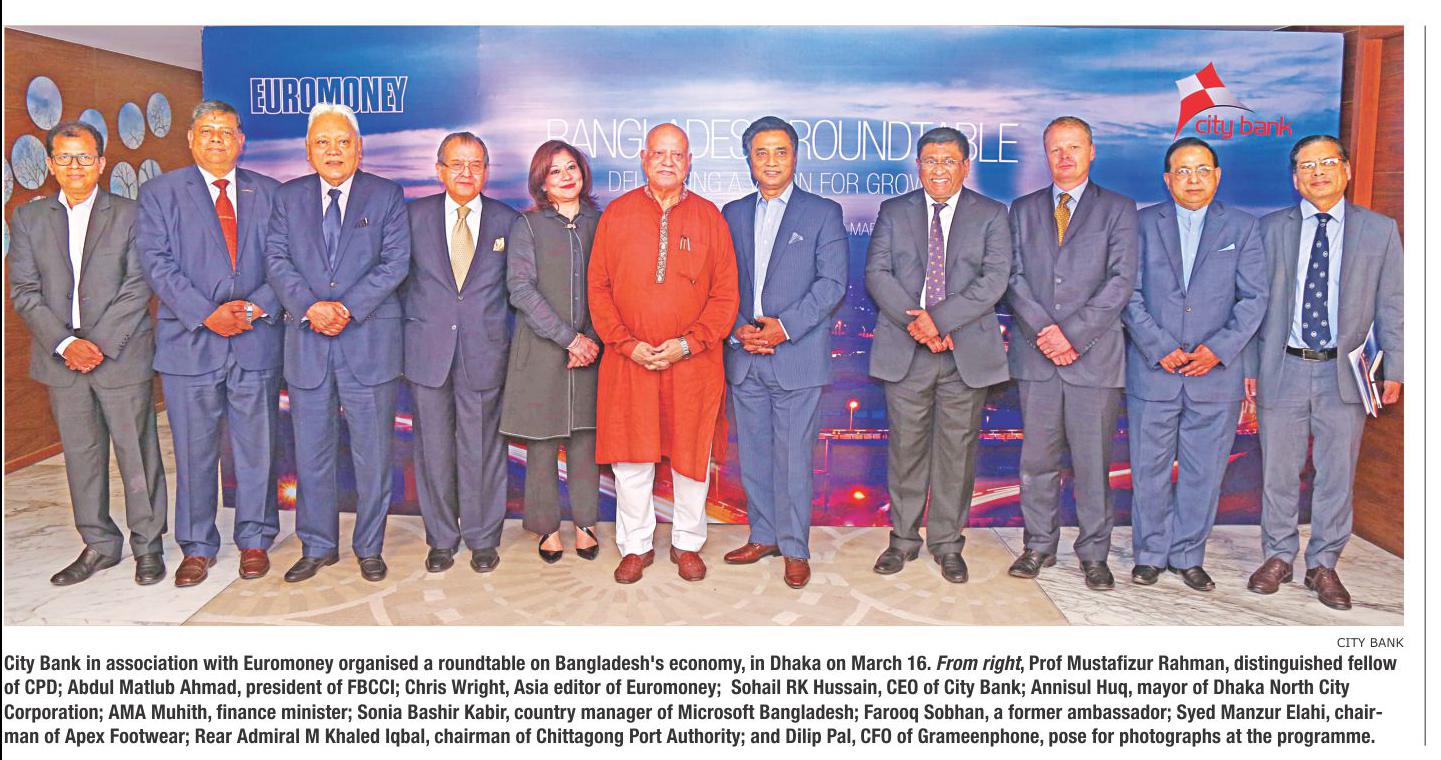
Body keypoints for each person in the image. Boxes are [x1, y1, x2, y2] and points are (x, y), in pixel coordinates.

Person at [8, 120, 168, 586]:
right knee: (82, 455)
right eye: (64, 157)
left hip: (120, 352)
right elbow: (24, 291)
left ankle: (148, 546)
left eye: (83, 157)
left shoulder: (132, 213)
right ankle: (99, 544)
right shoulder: (28, 218)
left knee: (137, 454)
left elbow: (139, 284)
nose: (74, 166)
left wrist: (96, 344)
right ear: (50, 164)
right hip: (61, 357)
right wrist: (65, 344)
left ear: (100, 163)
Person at [1246, 135, 1403, 610]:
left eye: (1327, 162)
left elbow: (1393, 304)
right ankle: (1278, 556)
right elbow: (1252, 305)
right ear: (1295, 179)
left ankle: (1323, 564)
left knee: (1337, 472)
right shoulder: (1270, 229)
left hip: (1346, 372)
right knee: (1278, 470)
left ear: (1346, 171)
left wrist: (1395, 367)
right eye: (1307, 166)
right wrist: (1250, 369)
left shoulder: (1379, 231)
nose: (1318, 172)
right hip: (1283, 367)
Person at [137, 100, 283, 586]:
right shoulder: (160, 193)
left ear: (241, 140)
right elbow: (156, 263)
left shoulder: (270, 192)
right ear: (190, 138)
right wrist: (206, 314)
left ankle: (255, 538)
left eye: (226, 131)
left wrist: (254, 308)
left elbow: (285, 261)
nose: (217, 138)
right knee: (194, 451)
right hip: (190, 343)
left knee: (257, 448)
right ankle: (197, 546)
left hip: (255, 339)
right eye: (207, 130)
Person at [264, 103, 410, 583]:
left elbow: (395, 262)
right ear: (308, 151)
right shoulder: (288, 198)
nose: (333, 151)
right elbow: (276, 259)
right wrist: (311, 307)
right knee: (311, 453)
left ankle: (369, 547)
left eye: (343, 142)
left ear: (358, 148)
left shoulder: (386, 195)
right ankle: (318, 546)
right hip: (308, 345)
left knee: (373, 456)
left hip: (368, 344)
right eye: (323, 142)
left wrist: (345, 308)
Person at [588, 123, 739, 584]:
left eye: (677, 154)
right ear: (644, 158)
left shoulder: (710, 218)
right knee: (632, 458)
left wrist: (687, 344)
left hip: (693, 363)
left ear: (689, 161)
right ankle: (635, 546)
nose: (668, 161)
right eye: (659, 153)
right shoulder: (617, 214)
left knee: (692, 458)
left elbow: (725, 297)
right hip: (629, 361)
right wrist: (627, 344)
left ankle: (687, 543)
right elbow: (598, 289)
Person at [864, 127, 1012, 583]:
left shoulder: (991, 213)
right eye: (930, 160)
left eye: (949, 161)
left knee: (956, 453)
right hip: (907, 349)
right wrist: (920, 325)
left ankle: (947, 544)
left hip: (964, 353)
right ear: (918, 166)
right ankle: (902, 541)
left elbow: (994, 279)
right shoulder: (895, 211)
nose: (939, 170)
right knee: (905, 450)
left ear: (965, 166)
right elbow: (877, 274)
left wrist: (941, 321)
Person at [1121, 137, 1266, 591]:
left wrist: (1217, 350)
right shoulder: (1142, 224)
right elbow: (1128, 293)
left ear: (1217, 176)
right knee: (1148, 469)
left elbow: (1254, 298)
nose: (1193, 179)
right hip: (1154, 369)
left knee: (1204, 472)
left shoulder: (1243, 227)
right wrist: (1158, 345)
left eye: (1202, 170)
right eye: (1183, 171)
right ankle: (1149, 554)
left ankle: (1188, 555)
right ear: (1168, 179)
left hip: (1214, 374)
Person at [1005, 116, 1138, 591]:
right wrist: (1047, 332)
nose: (1065, 156)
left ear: (1091, 151)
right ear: (1046, 154)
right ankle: (1038, 546)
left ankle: (1094, 555)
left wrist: (1072, 336)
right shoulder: (1022, 209)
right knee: (1036, 462)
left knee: (1092, 465)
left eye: (1074, 147)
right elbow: (1012, 277)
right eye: (1056, 148)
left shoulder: (1119, 209)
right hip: (1037, 356)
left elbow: (1121, 280)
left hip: (1094, 358)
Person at [721, 116, 847, 589]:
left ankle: (795, 547)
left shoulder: (823, 212)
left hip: (796, 356)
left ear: (795, 157)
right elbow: (719, 282)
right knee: (753, 456)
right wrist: (738, 328)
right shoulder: (732, 213)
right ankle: (763, 535)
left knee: (793, 458)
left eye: (780, 152)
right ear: (749, 159)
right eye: (761, 152)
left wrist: (784, 328)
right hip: (744, 354)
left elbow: (832, 283)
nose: (771, 161)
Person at [403, 132, 520, 574]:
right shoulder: (413, 217)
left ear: (486, 171)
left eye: (476, 165)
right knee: (432, 450)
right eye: (457, 164)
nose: (467, 173)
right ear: (440, 170)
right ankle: (441, 539)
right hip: (427, 352)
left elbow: (517, 292)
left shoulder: (508, 221)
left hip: (485, 352)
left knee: (483, 450)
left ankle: (483, 537)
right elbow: (398, 284)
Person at [499, 141, 602, 564]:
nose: (565, 176)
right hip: (543, 350)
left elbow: (612, 286)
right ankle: (547, 528)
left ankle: (586, 524)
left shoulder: (601, 222)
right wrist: (569, 340)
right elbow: (521, 289)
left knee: (585, 440)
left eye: (571, 167)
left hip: (593, 351)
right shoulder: (527, 225)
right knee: (542, 443)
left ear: (582, 172)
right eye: (554, 171)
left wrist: (590, 339)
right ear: (541, 182)